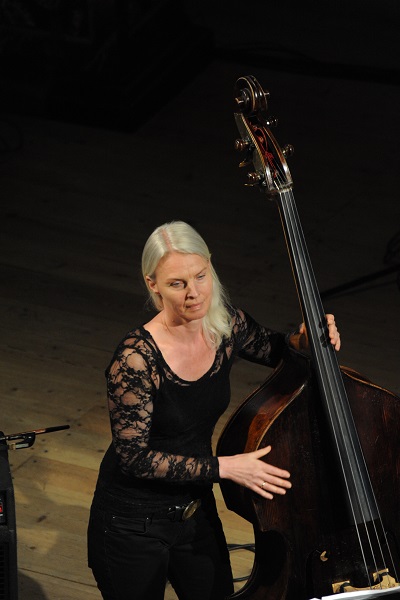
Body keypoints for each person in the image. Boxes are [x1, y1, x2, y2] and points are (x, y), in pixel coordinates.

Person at [87, 220, 341, 600]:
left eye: (201, 276)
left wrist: (305, 342)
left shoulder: (225, 325)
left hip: (194, 510)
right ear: (152, 284)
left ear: (210, 266)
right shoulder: (135, 359)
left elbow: (278, 350)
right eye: (177, 284)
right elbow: (134, 459)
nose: (194, 293)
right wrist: (226, 468)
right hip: (131, 523)